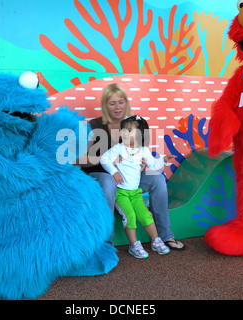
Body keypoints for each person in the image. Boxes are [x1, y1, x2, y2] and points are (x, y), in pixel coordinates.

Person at [78, 83, 185, 251]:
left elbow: (144, 154)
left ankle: (165, 236)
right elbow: (77, 159)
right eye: (112, 103)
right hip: (101, 173)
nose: (117, 106)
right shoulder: (94, 125)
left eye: (120, 101)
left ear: (126, 103)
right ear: (105, 105)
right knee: (108, 181)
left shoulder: (134, 125)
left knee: (157, 179)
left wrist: (142, 163)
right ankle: (105, 243)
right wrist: (106, 161)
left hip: (128, 179)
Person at [100, 115, 175, 258]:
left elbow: (153, 165)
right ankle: (134, 244)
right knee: (130, 217)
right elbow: (104, 159)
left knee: (146, 216)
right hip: (121, 192)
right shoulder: (119, 148)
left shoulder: (143, 150)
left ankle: (156, 241)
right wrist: (114, 171)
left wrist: (164, 160)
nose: (124, 133)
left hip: (135, 193)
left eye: (129, 131)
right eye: (123, 130)